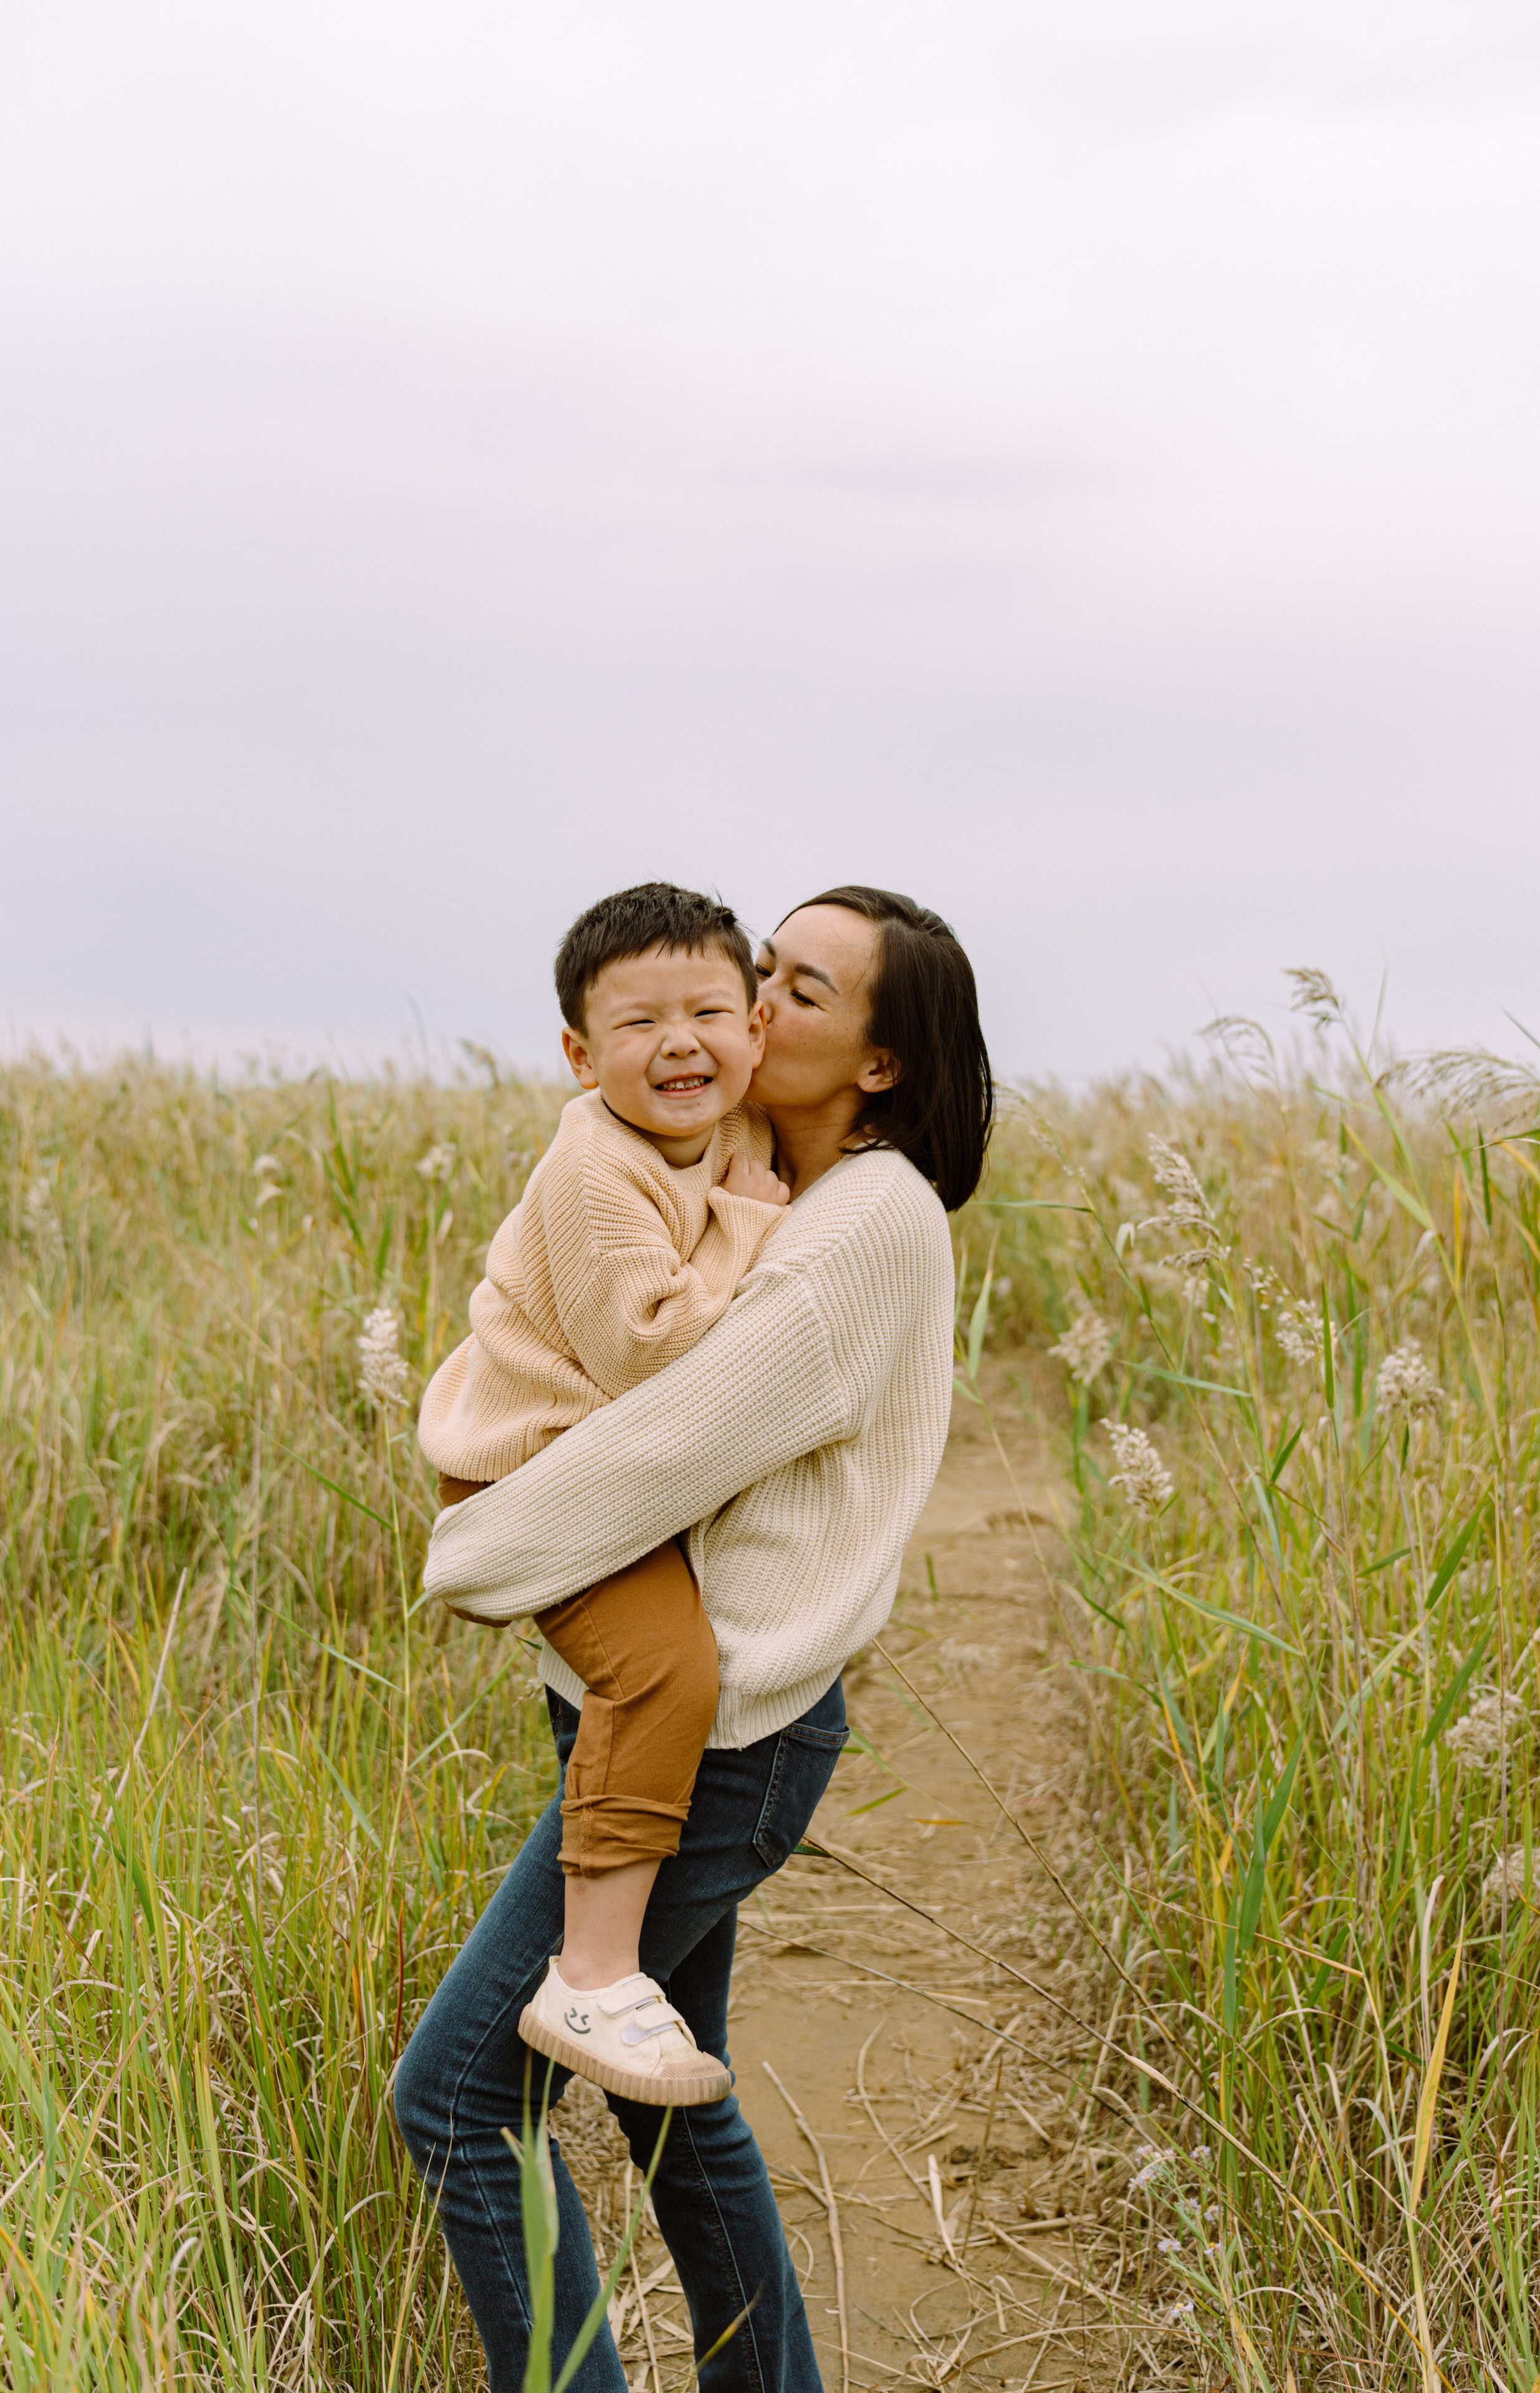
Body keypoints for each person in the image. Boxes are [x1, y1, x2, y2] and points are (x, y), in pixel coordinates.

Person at [395, 887, 992, 2393]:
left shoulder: (863, 1223)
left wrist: (481, 1541)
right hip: (670, 1707)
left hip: (726, 1731)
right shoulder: (732, 1176)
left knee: (461, 2103)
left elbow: (670, 1445)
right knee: (668, 2099)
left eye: (796, 988)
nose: (746, 1004)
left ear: (876, 1062)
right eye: (762, 969)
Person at [418, 883, 791, 2106]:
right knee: (662, 1668)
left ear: (755, 1026)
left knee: (684, 1666)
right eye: (636, 1025)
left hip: (614, 1465)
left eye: (708, 1011)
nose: (678, 1042)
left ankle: (638, 1967)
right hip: (536, 1470)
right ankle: (587, 1970)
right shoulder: (596, 1166)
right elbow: (653, 1343)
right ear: (580, 1056)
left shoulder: (734, 1136)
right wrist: (759, 1233)